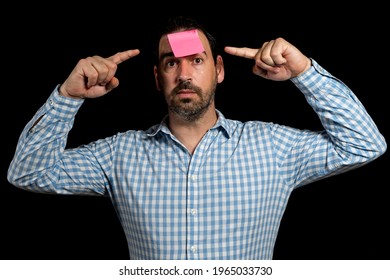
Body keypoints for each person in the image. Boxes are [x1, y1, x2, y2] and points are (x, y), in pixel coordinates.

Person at [7, 16, 387, 260]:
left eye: (197, 60)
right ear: (158, 78)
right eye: (171, 62)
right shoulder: (119, 154)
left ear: (219, 70)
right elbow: (27, 173)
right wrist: (67, 97)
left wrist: (304, 72)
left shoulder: (273, 148)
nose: (184, 73)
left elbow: (364, 143)